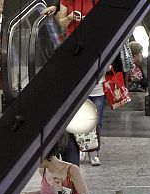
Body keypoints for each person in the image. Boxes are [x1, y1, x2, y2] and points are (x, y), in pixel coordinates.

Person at [56, 0, 106, 166]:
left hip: (94, 49)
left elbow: (105, 22)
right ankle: (81, 147)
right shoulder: (67, 1)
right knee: (78, 110)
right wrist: (71, 17)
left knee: (96, 112)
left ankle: (94, 151)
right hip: (75, 51)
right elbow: (62, 22)